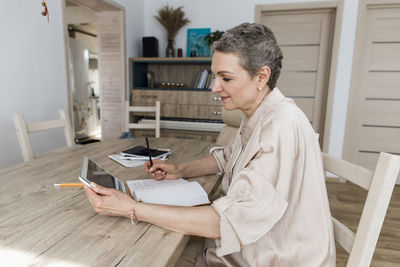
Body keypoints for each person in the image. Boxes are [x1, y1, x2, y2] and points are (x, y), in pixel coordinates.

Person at [83, 23, 336, 266]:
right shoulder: (261, 113)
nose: (215, 87)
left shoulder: (279, 127)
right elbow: (226, 158)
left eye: (225, 78)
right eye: (215, 76)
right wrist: (180, 170)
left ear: (261, 76)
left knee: (141, 255)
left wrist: (133, 209)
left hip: (274, 258)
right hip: (250, 248)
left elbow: (225, 222)